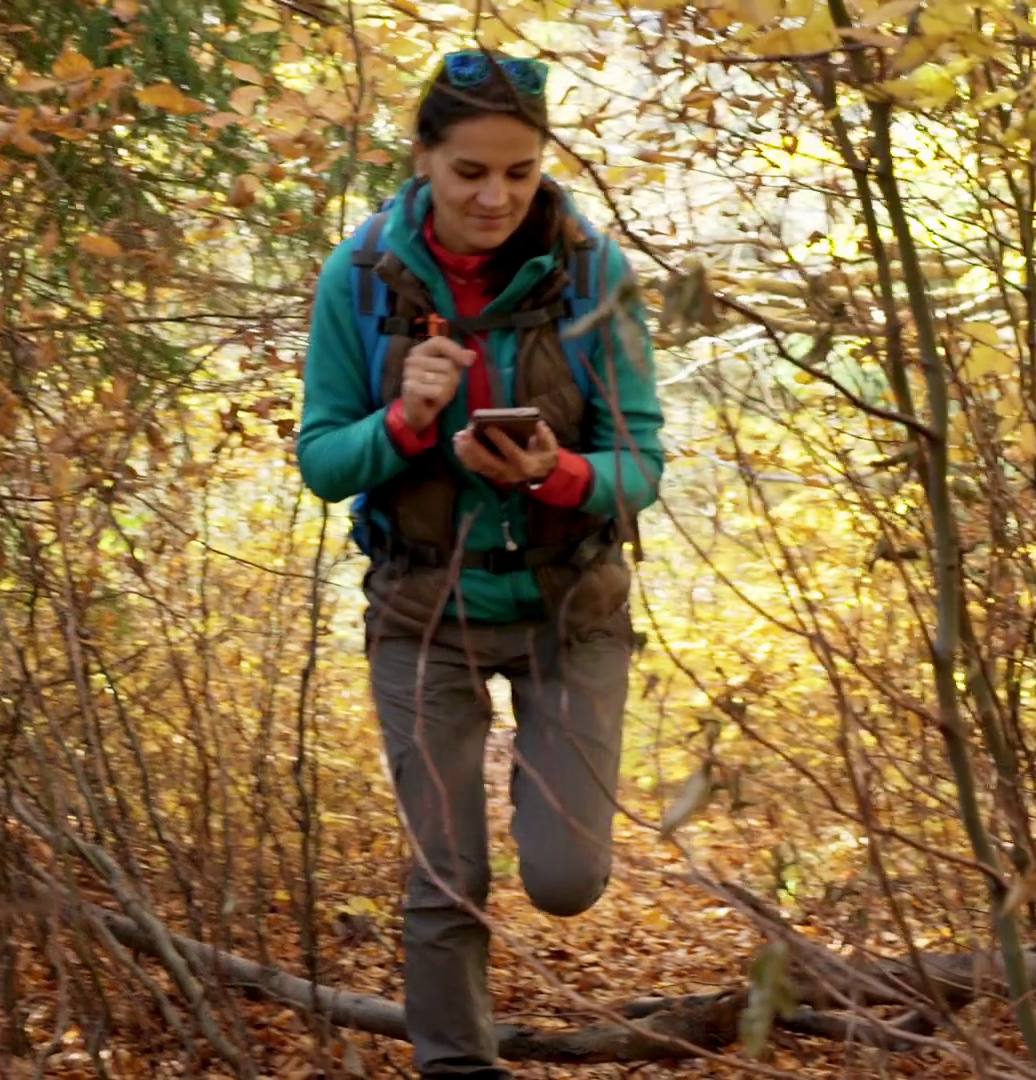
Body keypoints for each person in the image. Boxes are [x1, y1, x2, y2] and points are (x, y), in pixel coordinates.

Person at [294, 48, 667, 1079]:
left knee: (566, 878)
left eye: (520, 170)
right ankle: (457, 1066)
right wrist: (406, 421)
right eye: (469, 172)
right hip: (423, 612)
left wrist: (556, 473)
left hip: (570, 608)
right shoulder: (358, 275)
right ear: (423, 159)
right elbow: (322, 461)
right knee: (446, 876)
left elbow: (641, 462)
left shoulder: (595, 274)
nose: (496, 196)